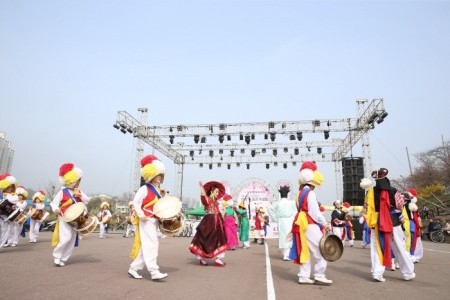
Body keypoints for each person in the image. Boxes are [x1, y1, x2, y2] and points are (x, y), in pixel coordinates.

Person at [365, 168, 415, 282]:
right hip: (393, 221)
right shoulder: (393, 190)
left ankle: (377, 273)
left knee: (377, 247)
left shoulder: (370, 192)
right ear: (386, 177)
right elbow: (400, 205)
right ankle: (408, 272)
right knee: (399, 247)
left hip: (377, 222)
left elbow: (367, 207)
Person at [289, 161, 333, 285]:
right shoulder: (311, 193)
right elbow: (315, 213)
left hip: (301, 223)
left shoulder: (298, 194)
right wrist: (324, 223)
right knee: (322, 249)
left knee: (305, 249)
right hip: (310, 224)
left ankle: (303, 275)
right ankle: (319, 274)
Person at [128, 155, 168, 280]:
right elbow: (136, 202)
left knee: (147, 245)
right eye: (158, 175)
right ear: (151, 175)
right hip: (146, 220)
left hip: (153, 220)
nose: (160, 177)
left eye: (161, 175)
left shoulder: (157, 190)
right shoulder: (144, 188)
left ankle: (134, 268)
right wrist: (141, 215)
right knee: (152, 244)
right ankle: (154, 271)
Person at [50, 163, 90, 267]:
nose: (77, 183)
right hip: (64, 217)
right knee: (66, 238)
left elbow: (87, 200)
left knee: (72, 239)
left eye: (78, 180)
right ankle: (57, 255)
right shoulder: (62, 192)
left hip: (76, 218)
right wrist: (56, 209)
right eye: (76, 181)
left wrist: (80, 195)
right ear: (70, 181)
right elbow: (53, 204)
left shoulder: (79, 191)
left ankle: (64, 258)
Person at [189, 180, 228, 266]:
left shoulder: (216, 202)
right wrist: (202, 189)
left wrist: (222, 213)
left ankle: (219, 259)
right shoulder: (208, 199)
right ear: (212, 192)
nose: (218, 193)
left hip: (217, 223)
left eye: (218, 192)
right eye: (216, 191)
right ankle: (202, 259)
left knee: (220, 240)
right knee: (206, 240)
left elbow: (218, 212)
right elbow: (203, 198)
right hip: (209, 222)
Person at [268, 184, 296, 260]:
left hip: (281, 221)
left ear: (280, 194)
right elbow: (296, 211)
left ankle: (285, 254)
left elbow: (270, 209)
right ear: (287, 194)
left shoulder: (278, 203)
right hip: (289, 220)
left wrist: (276, 218)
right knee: (288, 237)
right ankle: (286, 255)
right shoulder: (291, 203)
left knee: (283, 237)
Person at [402, 189, 423, 263]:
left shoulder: (408, 204)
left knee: (410, 240)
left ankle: (412, 255)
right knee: (410, 240)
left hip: (409, 224)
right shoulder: (409, 204)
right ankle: (412, 255)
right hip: (410, 224)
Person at [0, 173, 19, 248]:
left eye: (11, 187)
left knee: (5, 231)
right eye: (8, 187)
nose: (9, 189)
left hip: (7, 217)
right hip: (1, 215)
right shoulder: (1, 194)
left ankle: (1, 245)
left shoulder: (14, 196)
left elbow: (14, 202)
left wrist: (6, 198)